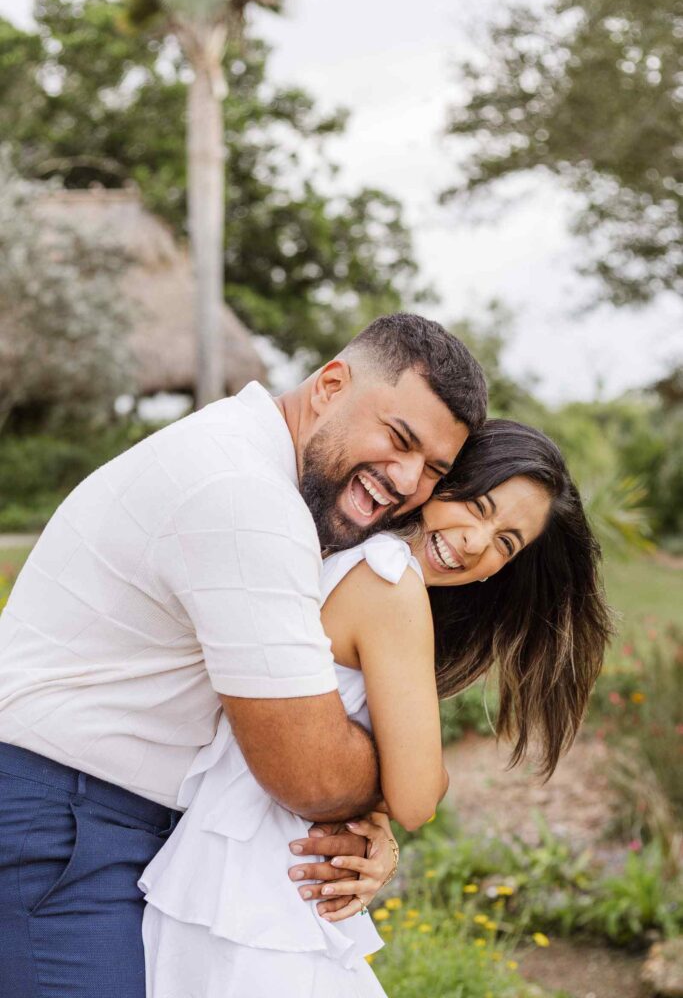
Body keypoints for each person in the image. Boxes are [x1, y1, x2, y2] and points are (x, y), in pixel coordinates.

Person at [0, 313, 487, 998]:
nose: (408, 480)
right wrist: (398, 784)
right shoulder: (246, 497)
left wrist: (366, 818)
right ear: (330, 386)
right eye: (399, 438)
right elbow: (309, 772)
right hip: (60, 825)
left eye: (433, 469)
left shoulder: (256, 466)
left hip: (103, 821)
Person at [138, 418, 612, 997]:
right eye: (478, 506)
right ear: (445, 481)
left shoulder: (351, 557)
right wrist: (412, 788)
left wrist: (377, 824)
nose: (476, 542)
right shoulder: (390, 585)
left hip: (242, 872)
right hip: (262, 892)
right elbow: (417, 798)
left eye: (505, 543)